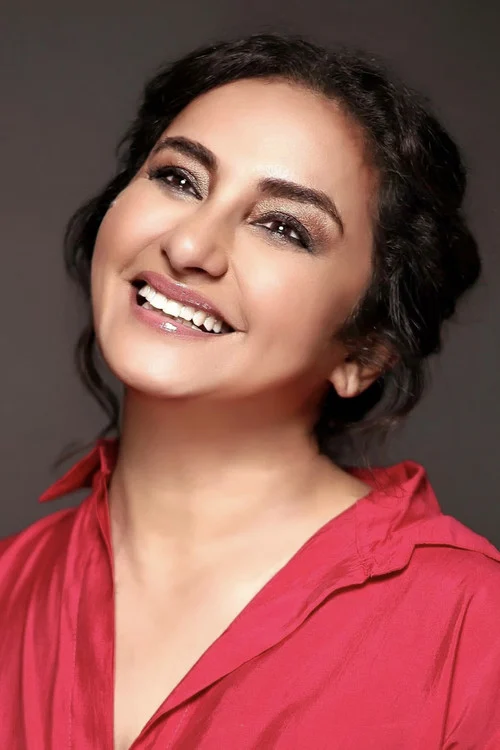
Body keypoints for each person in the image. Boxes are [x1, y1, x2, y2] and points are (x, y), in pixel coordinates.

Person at [0, 33, 499, 750]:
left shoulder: (473, 630)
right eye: (179, 179)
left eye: (284, 227)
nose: (190, 247)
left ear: (364, 351)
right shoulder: (10, 589)